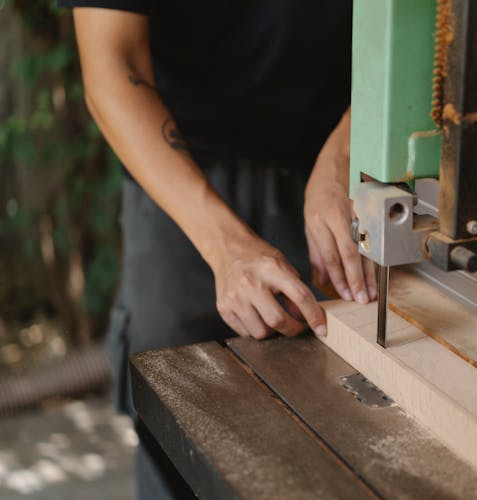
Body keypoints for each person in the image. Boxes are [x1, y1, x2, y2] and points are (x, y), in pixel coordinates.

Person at [60, 1, 373, 498]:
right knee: (173, 418)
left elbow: (426, 27)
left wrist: (348, 152)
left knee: (349, 435)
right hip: (176, 173)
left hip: (340, 165)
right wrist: (226, 246)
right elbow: (112, 64)